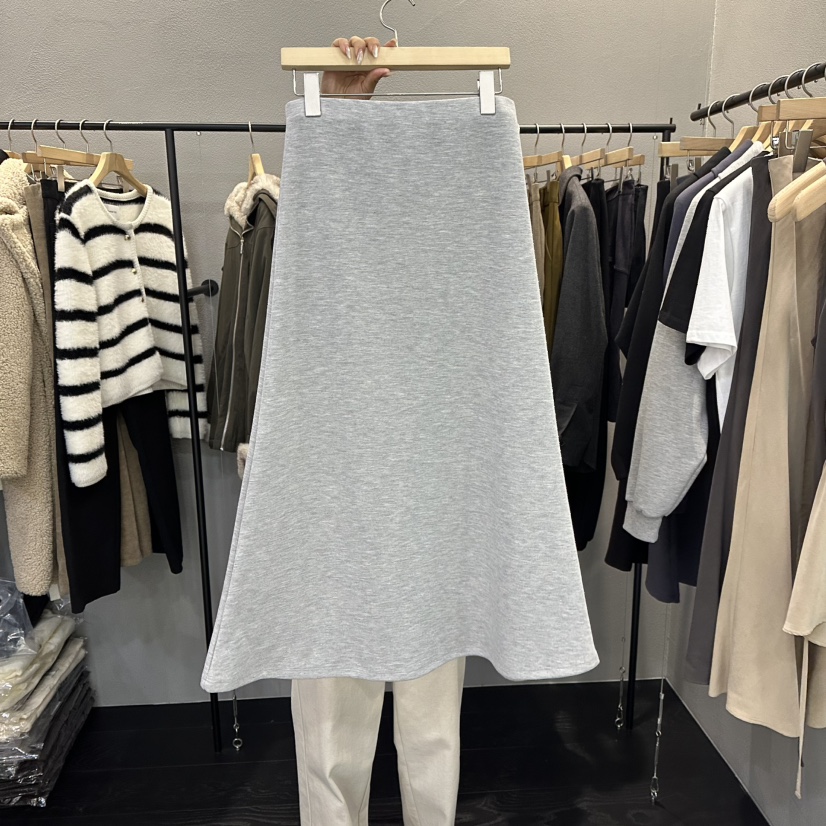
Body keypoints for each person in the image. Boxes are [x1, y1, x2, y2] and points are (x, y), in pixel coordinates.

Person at [289, 35, 468, 826]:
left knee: (431, 724)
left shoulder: (466, 228)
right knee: (333, 720)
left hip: (432, 480)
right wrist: (336, 115)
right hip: (335, 483)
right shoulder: (319, 228)